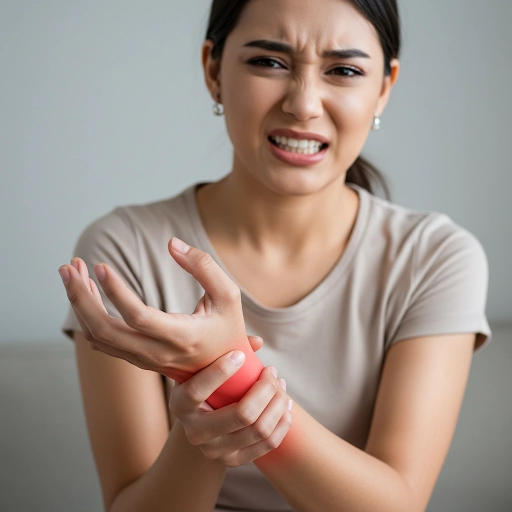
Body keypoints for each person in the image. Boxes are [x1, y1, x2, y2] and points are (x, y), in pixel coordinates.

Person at [58, 0, 492, 511]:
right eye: (269, 62)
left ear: (384, 87)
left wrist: (223, 377)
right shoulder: (123, 250)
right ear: (214, 71)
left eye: (344, 70)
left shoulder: (435, 258)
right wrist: (211, 412)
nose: (304, 105)